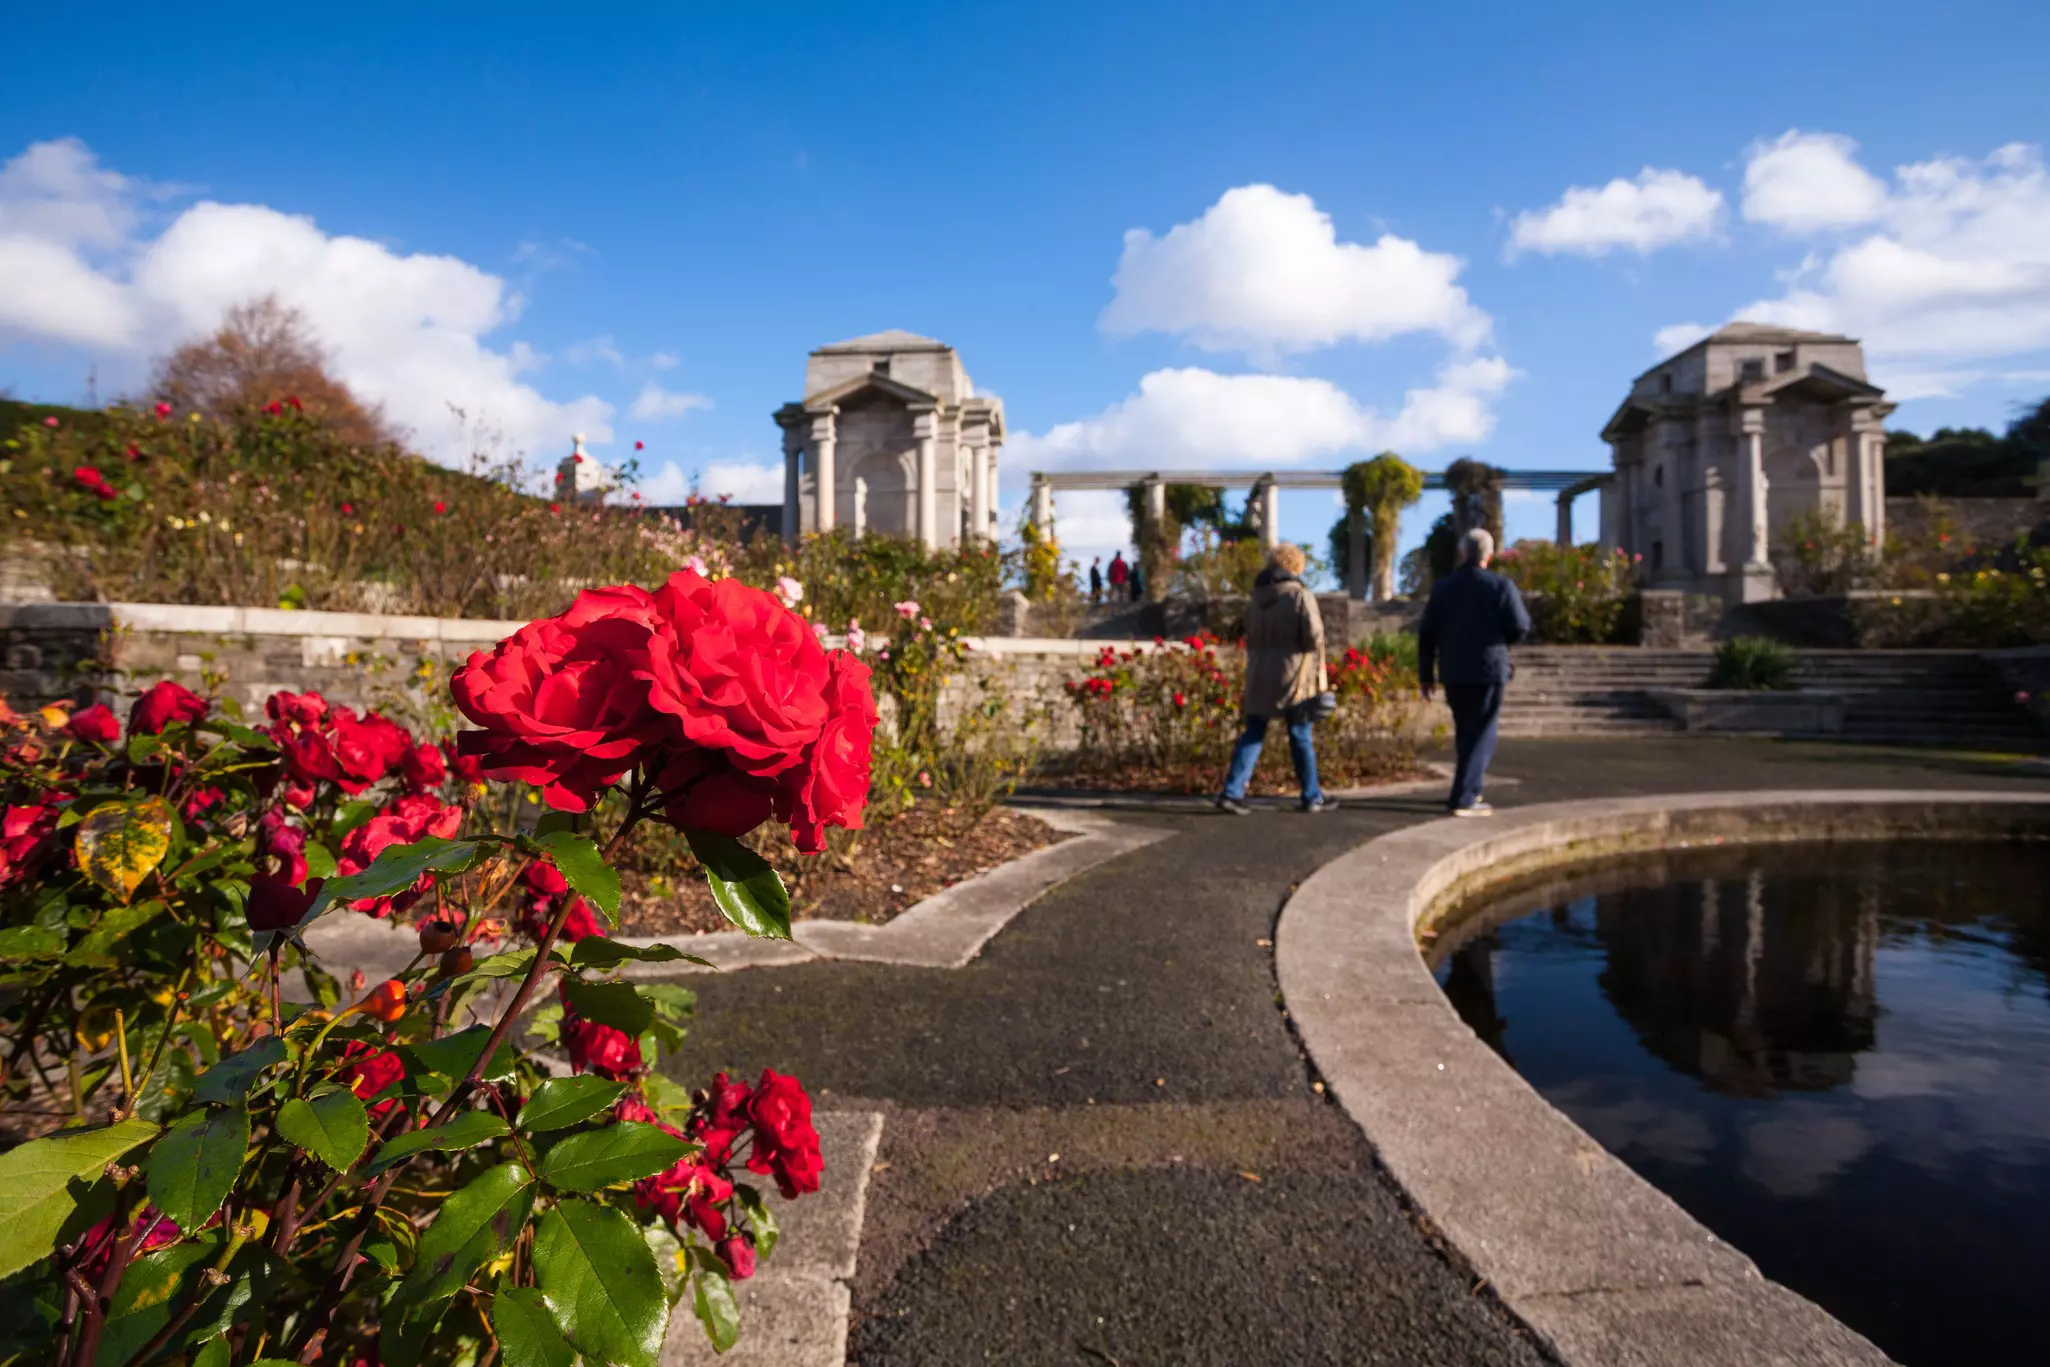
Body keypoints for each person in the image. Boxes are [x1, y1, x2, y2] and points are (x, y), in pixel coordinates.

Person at [1417, 527, 1530, 817]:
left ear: (1461, 552)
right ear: (1489, 556)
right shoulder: (1499, 586)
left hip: (1453, 669)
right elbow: (1520, 626)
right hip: (1488, 668)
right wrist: (1501, 640)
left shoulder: (1444, 587)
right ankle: (1465, 796)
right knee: (1482, 733)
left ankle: (1464, 788)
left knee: (1466, 731)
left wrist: (1425, 674)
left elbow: (1427, 633)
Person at [1215, 544, 1335, 815]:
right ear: (1295, 566)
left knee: (1254, 731)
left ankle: (1232, 792)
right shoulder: (1300, 596)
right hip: (1292, 674)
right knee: (1299, 733)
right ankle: (1311, 795)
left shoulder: (1255, 600)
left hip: (1259, 672)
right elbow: (1314, 636)